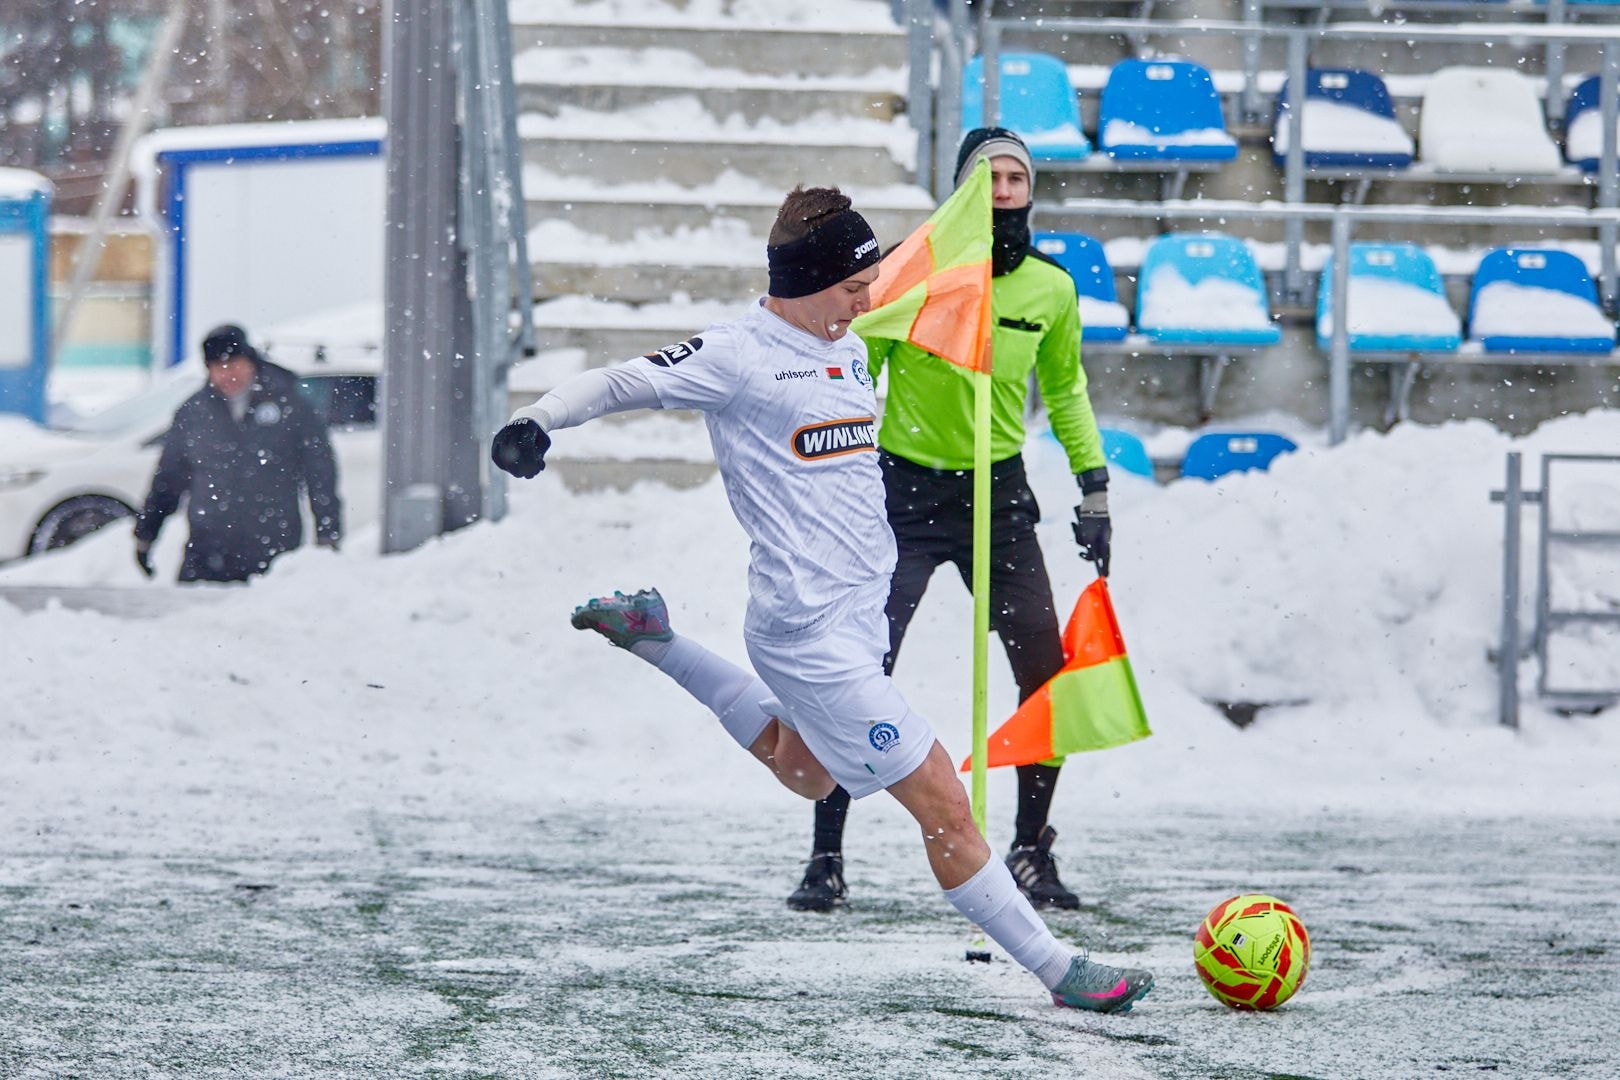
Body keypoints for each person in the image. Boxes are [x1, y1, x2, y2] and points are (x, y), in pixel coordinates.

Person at [493, 185, 1152, 1013]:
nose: (866, 301)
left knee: (807, 773)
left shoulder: (845, 345)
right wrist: (539, 420)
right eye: (851, 289)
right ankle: (1060, 972)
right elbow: (623, 382)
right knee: (945, 800)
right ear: (805, 282)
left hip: (850, 618)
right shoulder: (739, 354)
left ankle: (657, 640)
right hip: (810, 635)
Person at [778, 128, 1112, 914]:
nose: (1002, 190)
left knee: (1043, 675)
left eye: (1015, 178)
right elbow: (860, 370)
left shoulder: (1052, 291)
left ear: (1031, 192)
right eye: (988, 177)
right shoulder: (909, 272)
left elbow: (1065, 393)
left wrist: (1093, 489)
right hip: (903, 495)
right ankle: (826, 855)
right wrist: (831, 478)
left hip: (998, 494)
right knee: (857, 671)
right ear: (963, 189)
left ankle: (1031, 850)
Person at [134, 323, 341, 583]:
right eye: (218, 367)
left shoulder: (290, 405)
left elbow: (320, 474)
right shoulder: (194, 413)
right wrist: (146, 535)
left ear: (250, 361)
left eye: (234, 364)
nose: (227, 374)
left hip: (273, 554)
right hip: (207, 554)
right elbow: (168, 479)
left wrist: (328, 533)